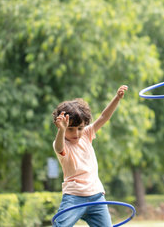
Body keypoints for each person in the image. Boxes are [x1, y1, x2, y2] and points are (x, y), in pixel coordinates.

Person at [52, 85, 128, 227]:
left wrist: (117, 98)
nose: (76, 133)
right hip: (74, 197)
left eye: (79, 128)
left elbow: (104, 117)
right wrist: (62, 130)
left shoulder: (87, 135)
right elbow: (58, 147)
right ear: (61, 127)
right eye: (70, 129)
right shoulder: (62, 143)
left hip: (96, 196)